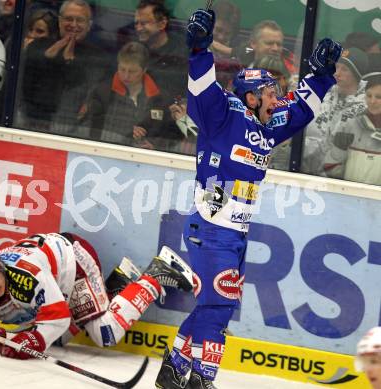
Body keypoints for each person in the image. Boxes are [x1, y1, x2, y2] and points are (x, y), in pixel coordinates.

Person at [154, 8, 342, 389]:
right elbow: (202, 88)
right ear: (251, 97)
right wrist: (199, 47)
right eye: (271, 93)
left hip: (236, 234)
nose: (278, 98)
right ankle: (202, 380)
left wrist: (320, 76)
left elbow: (302, 107)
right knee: (220, 307)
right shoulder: (221, 117)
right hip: (209, 229)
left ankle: (174, 369)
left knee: (213, 304)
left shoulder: (267, 126)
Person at [0, 232, 193, 359]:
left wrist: (36, 340)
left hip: (72, 263)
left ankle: (157, 273)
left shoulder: (28, 275)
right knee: (59, 340)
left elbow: (58, 318)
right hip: (54, 280)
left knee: (106, 334)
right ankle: (117, 286)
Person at [18, 0, 112, 134]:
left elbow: (92, 94)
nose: (73, 25)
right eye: (68, 19)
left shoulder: (99, 58)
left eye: (80, 20)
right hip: (30, 126)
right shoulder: (38, 46)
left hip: (75, 131)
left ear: (89, 25)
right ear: (59, 21)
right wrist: (50, 56)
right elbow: (23, 88)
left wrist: (69, 62)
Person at [82, 41, 181, 150]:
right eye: (122, 69)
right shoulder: (102, 92)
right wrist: (127, 131)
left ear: (144, 70)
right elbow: (87, 127)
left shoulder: (161, 97)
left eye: (132, 71)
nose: (126, 76)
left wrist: (156, 145)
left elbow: (173, 132)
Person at [302, 47, 369, 177]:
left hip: (338, 180)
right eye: (336, 67)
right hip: (303, 172)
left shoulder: (366, 107)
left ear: (357, 74)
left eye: (344, 69)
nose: (337, 73)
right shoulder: (320, 95)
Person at [321, 69, 381, 185]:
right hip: (349, 198)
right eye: (369, 95)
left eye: (379, 97)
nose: (372, 101)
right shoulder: (349, 125)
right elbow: (331, 167)